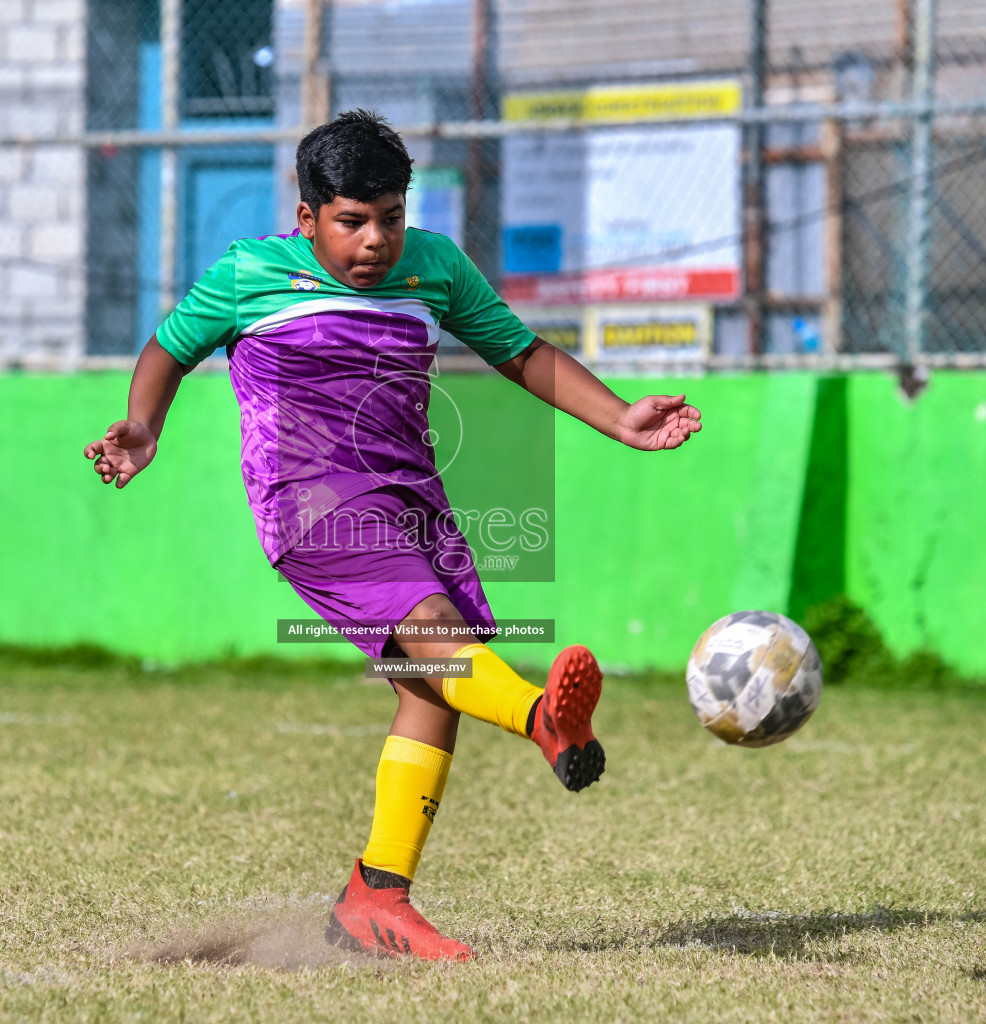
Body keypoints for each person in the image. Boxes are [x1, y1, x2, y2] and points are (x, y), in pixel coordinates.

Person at [83, 110, 701, 960]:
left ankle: (376, 900)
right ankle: (541, 721)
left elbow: (521, 353)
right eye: (352, 220)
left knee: (427, 686)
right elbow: (168, 349)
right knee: (438, 646)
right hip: (310, 503)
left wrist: (619, 418)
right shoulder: (250, 273)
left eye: (391, 217)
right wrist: (142, 427)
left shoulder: (435, 267)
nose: (376, 239)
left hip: (412, 498)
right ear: (308, 219)